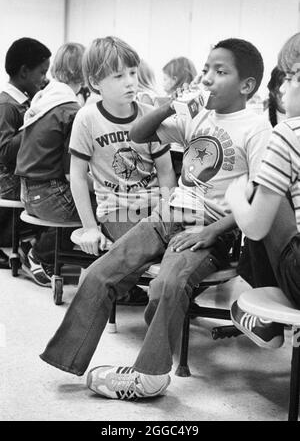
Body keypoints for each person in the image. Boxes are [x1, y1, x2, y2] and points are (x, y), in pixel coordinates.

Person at [40, 38, 272, 401]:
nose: (208, 78)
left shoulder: (256, 128)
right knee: (102, 271)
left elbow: (259, 195)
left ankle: (149, 376)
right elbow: (138, 134)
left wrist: (212, 231)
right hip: (170, 213)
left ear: (247, 86)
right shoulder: (198, 116)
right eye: (206, 69)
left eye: (220, 71)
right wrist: (169, 107)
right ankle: (66, 358)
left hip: (211, 228)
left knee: (167, 284)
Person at [67, 36, 176, 303]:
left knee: (183, 247)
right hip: (117, 209)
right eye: (118, 76)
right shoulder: (87, 118)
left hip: (155, 208)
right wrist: (89, 227)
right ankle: (99, 282)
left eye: (132, 73)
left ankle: (108, 278)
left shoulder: (149, 113)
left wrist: (167, 211)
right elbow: (78, 177)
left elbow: (165, 171)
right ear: (95, 83)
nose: (129, 81)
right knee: (148, 247)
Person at [225, 32, 300, 349]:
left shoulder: (288, 131)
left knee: (258, 191)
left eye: (291, 78)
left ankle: (266, 318)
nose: (282, 89)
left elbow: (255, 227)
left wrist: (236, 196)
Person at [15, 42, 85, 286]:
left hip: (28, 192)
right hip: (48, 196)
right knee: (100, 209)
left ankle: (37, 247)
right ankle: (40, 255)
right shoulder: (71, 109)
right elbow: (70, 173)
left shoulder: (47, 97)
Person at [0, 37, 51, 269]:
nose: (45, 78)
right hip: (8, 181)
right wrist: (34, 122)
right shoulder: (8, 106)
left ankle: (38, 242)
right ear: (23, 72)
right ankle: (39, 246)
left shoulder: (24, 101)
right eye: (42, 72)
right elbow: (4, 152)